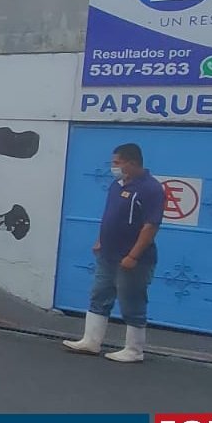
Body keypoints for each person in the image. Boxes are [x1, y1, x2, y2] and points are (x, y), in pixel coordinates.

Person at [63, 143, 166, 363]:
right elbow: (111, 216)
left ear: (132, 162)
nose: (114, 167)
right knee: (99, 294)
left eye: (117, 163)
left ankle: (134, 349)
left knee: (132, 300)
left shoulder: (151, 188)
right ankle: (91, 341)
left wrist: (133, 255)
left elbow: (151, 226)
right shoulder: (116, 185)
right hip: (107, 254)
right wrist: (101, 240)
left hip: (132, 259)